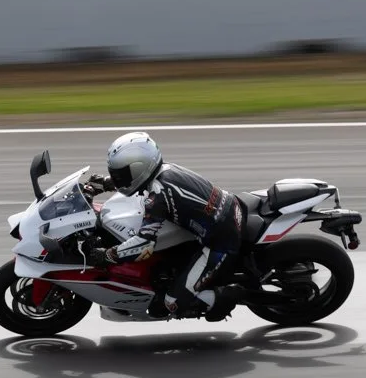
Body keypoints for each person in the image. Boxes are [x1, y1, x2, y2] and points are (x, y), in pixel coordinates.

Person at [81, 131, 245, 321]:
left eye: (121, 174)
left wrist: (107, 255)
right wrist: (104, 184)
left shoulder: (157, 197)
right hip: (230, 209)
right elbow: (133, 182)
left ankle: (230, 296)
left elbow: (144, 245)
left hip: (222, 241)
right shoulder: (164, 170)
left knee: (171, 303)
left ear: (138, 169)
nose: (117, 178)